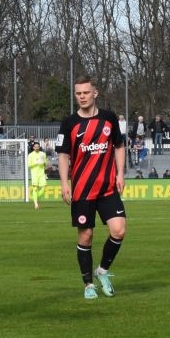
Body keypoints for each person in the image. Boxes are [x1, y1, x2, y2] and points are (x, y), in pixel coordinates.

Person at [57, 76, 127, 300]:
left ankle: (102, 271)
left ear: (95, 93)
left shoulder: (108, 118)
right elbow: (63, 155)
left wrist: (120, 173)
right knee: (86, 236)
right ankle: (88, 284)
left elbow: (119, 146)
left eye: (86, 92)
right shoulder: (69, 123)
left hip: (107, 188)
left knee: (119, 230)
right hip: (82, 190)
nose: (82, 97)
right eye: (78, 93)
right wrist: (64, 183)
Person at [25, 139, 48, 209]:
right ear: (33, 147)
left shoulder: (43, 154)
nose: (37, 148)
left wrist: (43, 163)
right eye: (36, 147)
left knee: (44, 188)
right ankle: (36, 204)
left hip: (41, 174)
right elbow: (29, 165)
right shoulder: (30, 155)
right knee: (35, 188)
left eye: (38, 147)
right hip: (34, 174)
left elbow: (45, 163)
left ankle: (34, 197)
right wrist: (36, 162)